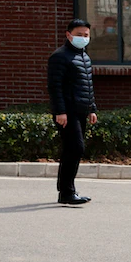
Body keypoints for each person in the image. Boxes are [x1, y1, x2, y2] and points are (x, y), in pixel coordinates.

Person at [47, 18, 98, 206]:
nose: (83, 38)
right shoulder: (59, 57)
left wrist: (91, 109)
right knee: (75, 148)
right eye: (79, 35)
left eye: (86, 35)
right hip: (67, 112)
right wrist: (60, 111)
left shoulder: (84, 57)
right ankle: (67, 192)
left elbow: (87, 86)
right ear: (68, 35)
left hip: (80, 111)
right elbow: (55, 87)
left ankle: (67, 192)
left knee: (73, 149)